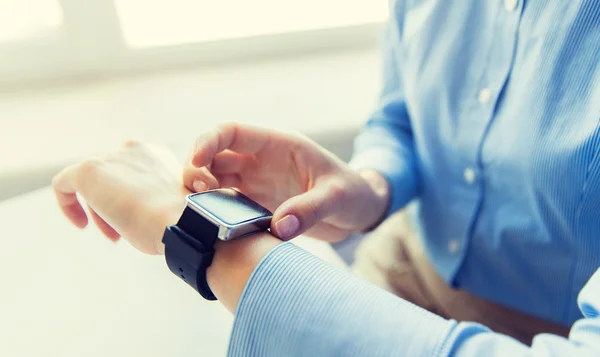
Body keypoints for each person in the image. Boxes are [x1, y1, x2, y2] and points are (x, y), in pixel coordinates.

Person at [52, 0, 600, 355]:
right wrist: (371, 188)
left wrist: (193, 231)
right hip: (400, 256)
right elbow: (399, 115)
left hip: (541, 332)